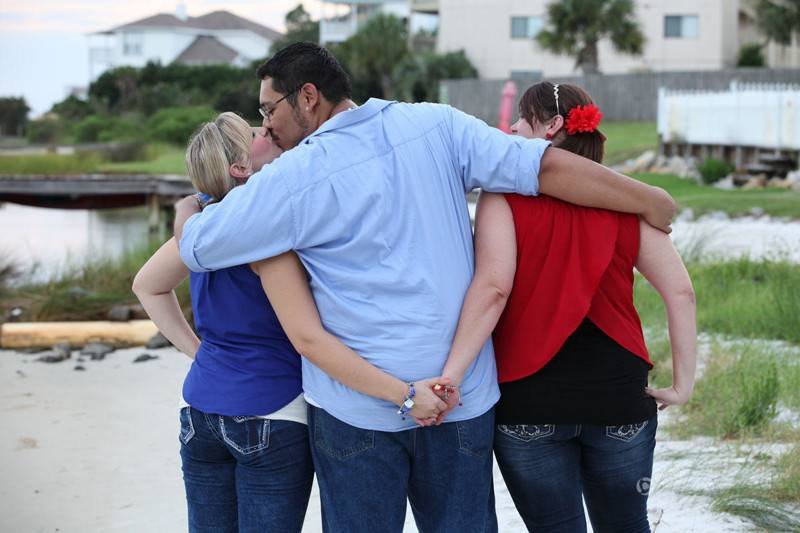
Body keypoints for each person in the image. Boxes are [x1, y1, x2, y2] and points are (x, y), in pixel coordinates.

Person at [174, 43, 677, 533]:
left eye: (270, 110)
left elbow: (196, 246)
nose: (266, 126)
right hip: (458, 396)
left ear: (308, 97)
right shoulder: (436, 124)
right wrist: (648, 198)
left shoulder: (289, 178)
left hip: (356, 412)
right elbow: (541, 166)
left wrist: (190, 204)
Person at [132, 112, 449, 533]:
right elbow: (307, 338)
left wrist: (200, 354)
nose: (267, 131)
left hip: (199, 410)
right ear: (241, 167)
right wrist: (404, 396)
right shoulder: (264, 236)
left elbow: (147, 286)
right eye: (256, 133)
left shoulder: (197, 229)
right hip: (270, 410)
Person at [439, 82, 697, 532]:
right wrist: (682, 385)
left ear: (551, 126)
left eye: (522, 118)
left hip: (530, 401)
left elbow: (494, 288)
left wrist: (452, 374)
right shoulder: (626, 203)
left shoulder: (503, 196)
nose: (512, 127)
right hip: (618, 396)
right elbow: (681, 293)